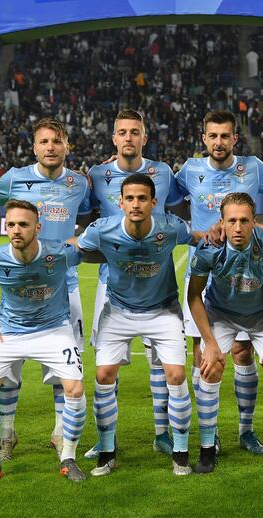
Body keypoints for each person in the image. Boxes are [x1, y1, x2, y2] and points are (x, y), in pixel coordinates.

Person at [75, 174, 205, 476]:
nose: (136, 204)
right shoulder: (102, 229)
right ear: (120, 202)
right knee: (104, 374)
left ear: (153, 202)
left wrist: (215, 233)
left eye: (142, 198)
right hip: (118, 311)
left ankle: (181, 452)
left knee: (175, 375)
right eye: (130, 198)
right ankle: (107, 452)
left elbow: (197, 237)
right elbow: (78, 249)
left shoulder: (170, 227)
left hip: (163, 311)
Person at [0, 118, 93, 461]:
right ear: (35, 147)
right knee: (8, 371)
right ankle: (6, 433)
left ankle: (60, 434)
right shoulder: (14, 177)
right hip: (19, 285)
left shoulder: (79, 183)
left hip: (65, 286)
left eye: (57, 142)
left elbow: (90, 220)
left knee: (64, 371)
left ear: (67, 146)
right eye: (44, 142)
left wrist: (78, 240)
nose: (51, 148)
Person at [175, 109, 263, 455]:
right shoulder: (189, 170)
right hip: (206, 267)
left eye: (225, 136)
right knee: (203, 355)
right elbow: (164, 198)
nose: (219, 142)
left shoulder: (253, 166)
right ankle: (209, 433)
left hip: (248, 267)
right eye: (213, 136)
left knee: (243, 351)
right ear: (203, 138)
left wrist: (259, 228)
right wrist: (198, 234)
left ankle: (245, 430)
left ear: (235, 138)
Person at [0, 200, 98, 483]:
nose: (16, 230)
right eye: (11, 224)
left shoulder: (59, 253)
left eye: (24, 224)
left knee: (75, 391)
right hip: (10, 333)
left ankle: (69, 458)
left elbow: (93, 251)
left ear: (37, 228)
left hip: (53, 330)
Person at [85, 109, 185, 459]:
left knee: (162, 363)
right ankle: (106, 439)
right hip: (110, 282)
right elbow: (86, 221)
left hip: (156, 281)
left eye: (135, 132)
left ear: (145, 137)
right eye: (122, 132)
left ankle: (163, 432)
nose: (128, 137)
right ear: (114, 138)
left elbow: (175, 214)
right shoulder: (97, 174)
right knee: (108, 365)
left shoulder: (164, 173)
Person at [187, 193, 263, 474]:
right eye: (231, 220)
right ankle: (207, 449)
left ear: (254, 222)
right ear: (221, 222)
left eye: (244, 221)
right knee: (209, 368)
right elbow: (194, 296)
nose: (237, 227)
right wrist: (209, 343)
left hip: (261, 317)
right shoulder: (209, 248)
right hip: (221, 314)